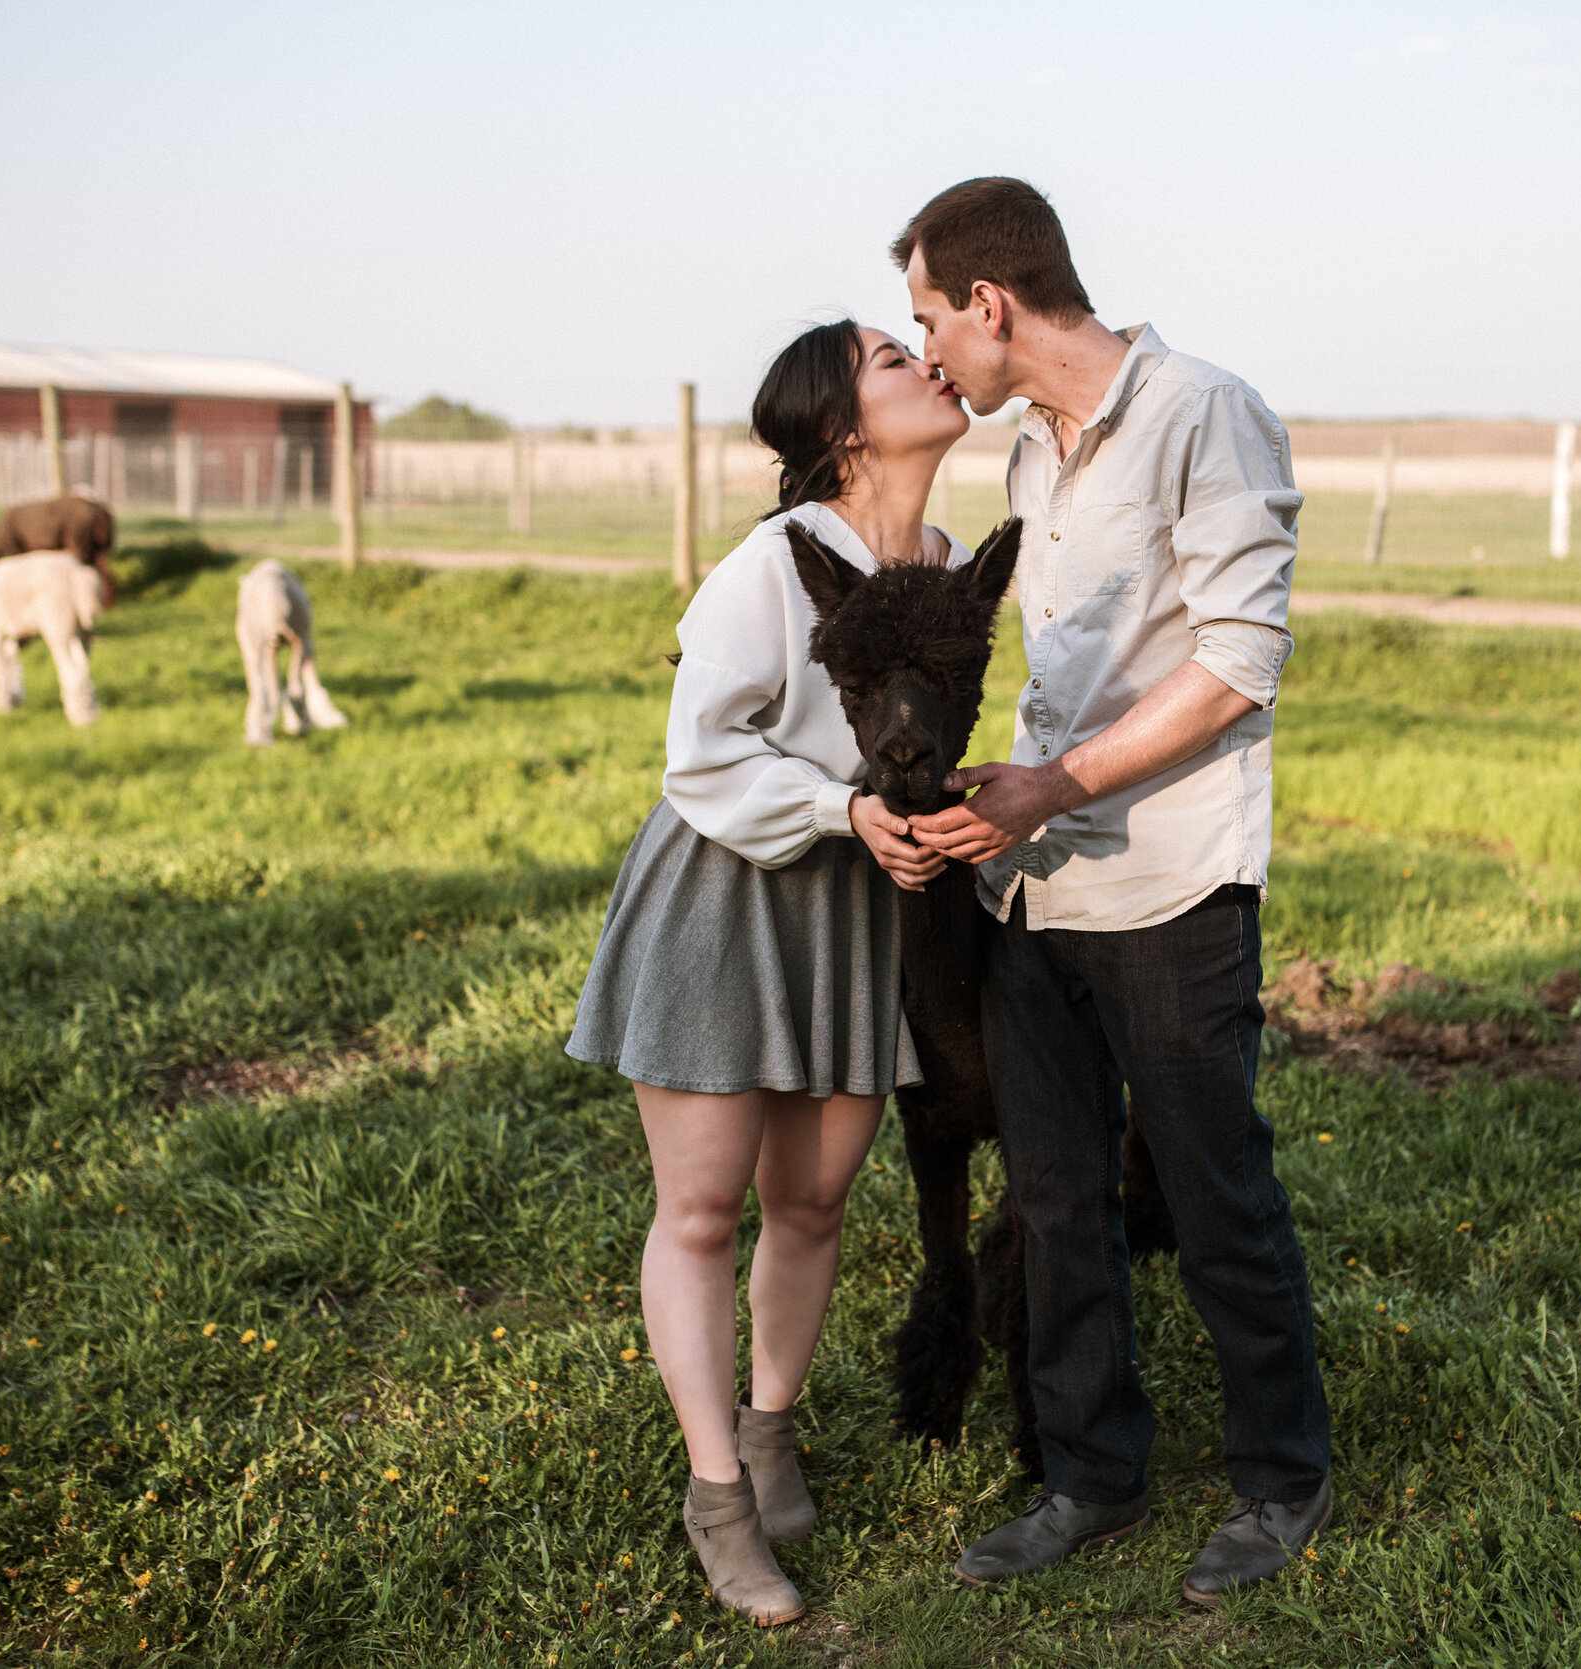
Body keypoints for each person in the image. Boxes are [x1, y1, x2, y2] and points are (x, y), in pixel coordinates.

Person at [885, 177, 1333, 1606]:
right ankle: (1090, 1470)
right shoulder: (1030, 453)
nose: (929, 353)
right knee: (1057, 1196)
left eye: (926, 322)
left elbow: (1238, 663)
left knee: (1211, 1191)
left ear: (991, 304)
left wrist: (1058, 784)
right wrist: (999, 806)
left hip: (1170, 888)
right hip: (1034, 888)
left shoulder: (1205, 412)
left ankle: (1280, 1479)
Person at [564, 318, 972, 1625]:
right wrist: (841, 811)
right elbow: (699, 751)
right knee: (701, 1212)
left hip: (857, 910)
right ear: (840, 426)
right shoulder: (765, 570)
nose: (929, 358)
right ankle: (717, 1491)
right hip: (729, 895)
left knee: (814, 1204)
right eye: (892, 357)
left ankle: (775, 1427)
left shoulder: (953, 563)